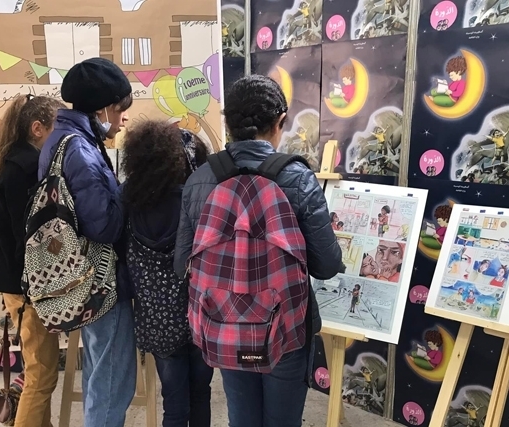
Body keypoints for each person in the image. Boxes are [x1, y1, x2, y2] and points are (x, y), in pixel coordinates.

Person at [174, 74, 343, 427]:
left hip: (224, 322)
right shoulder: (296, 179)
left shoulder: (201, 179)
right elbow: (326, 265)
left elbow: (181, 265)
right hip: (286, 324)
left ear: (229, 123)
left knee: (242, 418)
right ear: (280, 121)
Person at [37, 57, 136, 427]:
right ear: (104, 107)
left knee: (100, 376)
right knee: (111, 385)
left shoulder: (61, 141)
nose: (124, 118)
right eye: (122, 108)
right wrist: (132, 192)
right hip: (101, 283)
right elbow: (104, 227)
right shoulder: (80, 150)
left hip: (83, 278)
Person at [0, 94, 65, 427]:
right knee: (41, 377)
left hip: (19, 287)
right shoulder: (25, 169)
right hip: (28, 289)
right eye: (56, 127)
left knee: (38, 371)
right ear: (37, 129)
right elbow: (27, 241)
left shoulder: (9, 162)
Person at [121, 120, 213, 427]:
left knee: (173, 403)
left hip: (158, 323)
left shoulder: (128, 202)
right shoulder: (198, 201)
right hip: (202, 315)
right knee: (200, 393)